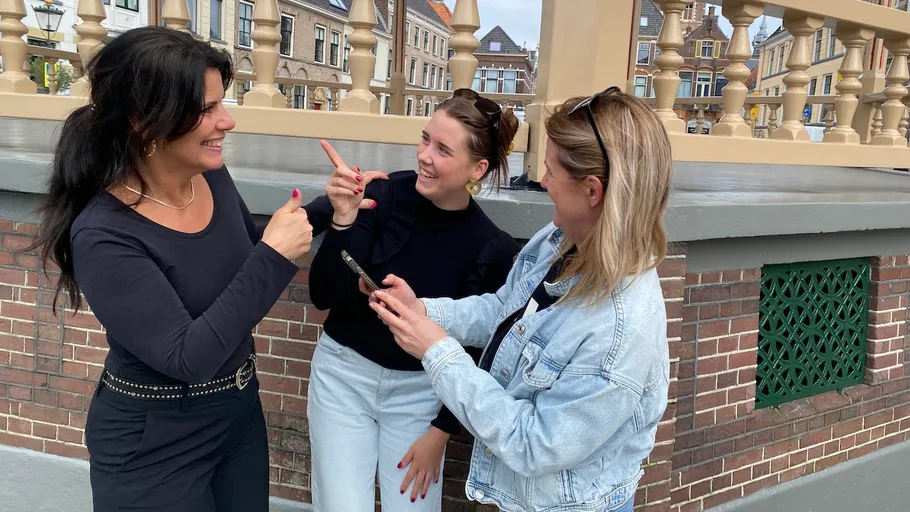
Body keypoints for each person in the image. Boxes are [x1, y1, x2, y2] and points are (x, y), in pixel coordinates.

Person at [29, 26, 315, 511]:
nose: (227, 121)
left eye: (223, 103)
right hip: (153, 441)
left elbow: (250, 253)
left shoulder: (210, 175)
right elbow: (188, 357)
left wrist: (332, 210)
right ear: (145, 121)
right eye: (206, 109)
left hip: (237, 416)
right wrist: (272, 256)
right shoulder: (104, 234)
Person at [368, 87, 673, 512]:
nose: (542, 182)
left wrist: (436, 351)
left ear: (592, 190)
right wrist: (425, 310)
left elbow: (534, 444)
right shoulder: (559, 239)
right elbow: (503, 309)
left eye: (550, 171)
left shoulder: (621, 327)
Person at [304, 89, 522, 511]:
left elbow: (482, 350)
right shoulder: (383, 194)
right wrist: (344, 219)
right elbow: (322, 294)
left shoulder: (488, 245)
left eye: (443, 149)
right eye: (425, 139)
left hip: (423, 393)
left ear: (477, 168)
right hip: (343, 377)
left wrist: (441, 431)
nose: (424, 155)